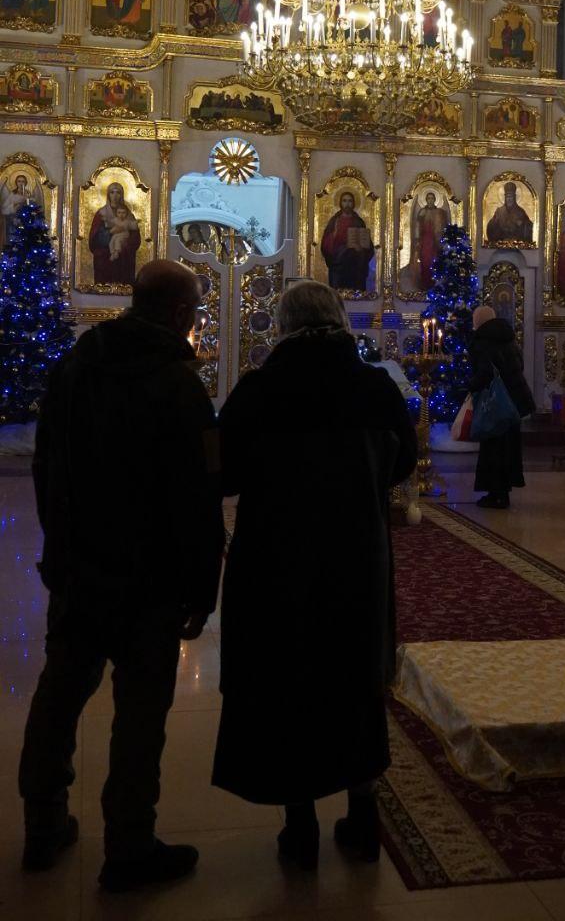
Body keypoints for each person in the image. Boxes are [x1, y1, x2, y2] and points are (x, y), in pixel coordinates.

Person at [18, 261, 223, 892]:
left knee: (59, 695)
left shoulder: (78, 366)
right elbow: (197, 495)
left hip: (81, 568)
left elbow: (46, 464)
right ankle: (129, 845)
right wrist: (202, 585)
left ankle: (43, 824)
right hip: (150, 581)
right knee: (139, 714)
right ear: (179, 313)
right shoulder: (177, 383)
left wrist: (58, 545)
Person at [212, 281, 417, 869]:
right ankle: (361, 814)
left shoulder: (260, 389)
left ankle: (297, 825)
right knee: (354, 676)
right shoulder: (374, 386)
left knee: (286, 678)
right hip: (356, 556)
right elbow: (402, 461)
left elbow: (223, 475)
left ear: (284, 325)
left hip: (276, 561)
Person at [468, 305, 536, 510]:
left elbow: (485, 372)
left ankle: (495, 494)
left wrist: (470, 386)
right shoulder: (508, 337)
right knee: (508, 449)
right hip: (513, 401)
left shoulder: (483, 341)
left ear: (477, 321)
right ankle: (502, 493)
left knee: (493, 450)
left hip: (496, 403)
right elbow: (518, 366)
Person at [88, 182, 141, 286]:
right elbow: (94, 238)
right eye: (112, 192)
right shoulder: (101, 214)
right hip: (104, 258)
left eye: (118, 193)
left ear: (122, 195)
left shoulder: (128, 214)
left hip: (124, 259)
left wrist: (125, 243)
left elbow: (135, 238)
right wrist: (109, 235)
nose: (115, 196)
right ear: (108, 195)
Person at [320, 191, 374, 291]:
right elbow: (325, 245)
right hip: (338, 265)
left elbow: (368, 246)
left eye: (350, 201)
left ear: (353, 203)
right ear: (340, 203)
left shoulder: (358, 221)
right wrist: (334, 234)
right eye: (344, 201)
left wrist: (361, 248)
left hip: (355, 266)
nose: (347, 204)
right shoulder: (334, 221)